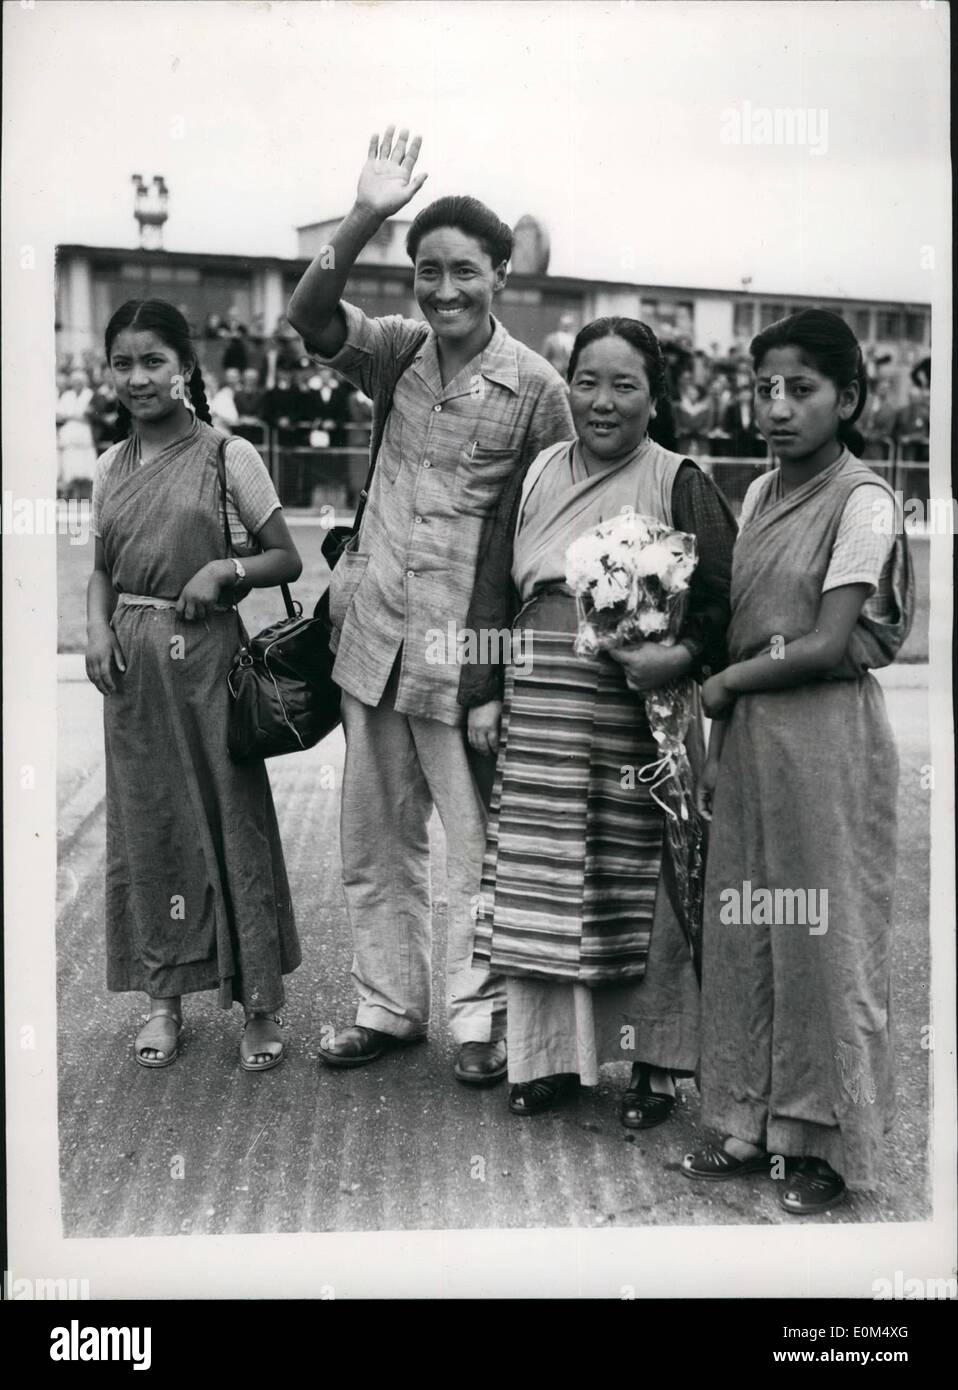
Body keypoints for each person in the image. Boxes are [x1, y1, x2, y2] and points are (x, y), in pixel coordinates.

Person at [286, 125, 574, 1084]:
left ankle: (480, 1020)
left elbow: (545, 542)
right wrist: (367, 210)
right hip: (371, 640)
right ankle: (387, 1007)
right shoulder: (398, 353)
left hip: (467, 663)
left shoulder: (538, 389)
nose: (444, 292)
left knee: (478, 850)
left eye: (464, 273)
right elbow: (308, 312)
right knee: (374, 843)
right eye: (427, 273)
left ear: (501, 274)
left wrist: (500, 675)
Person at [459, 318, 736, 1119]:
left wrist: (678, 659)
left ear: (656, 396)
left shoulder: (680, 479)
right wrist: (483, 687)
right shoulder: (540, 467)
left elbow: (722, 597)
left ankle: (654, 1065)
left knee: (646, 881)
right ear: (567, 386)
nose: (602, 402)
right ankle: (546, 1062)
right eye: (587, 382)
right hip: (541, 704)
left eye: (624, 385)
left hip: (638, 712)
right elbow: (490, 583)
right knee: (541, 881)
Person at [682, 309, 914, 1213]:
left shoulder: (865, 500)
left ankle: (825, 1146)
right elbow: (748, 616)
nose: (777, 407)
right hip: (753, 743)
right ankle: (749, 1123)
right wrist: (722, 740)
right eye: (764, 388)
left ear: (848, 398)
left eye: (802, 390)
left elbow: (823, 642)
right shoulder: (762, 492)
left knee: (826, 939)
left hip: (824, 737)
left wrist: (730, 681)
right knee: (745, 921)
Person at [86, 299, 303, 1072]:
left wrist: (224, 569)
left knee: (230, 820)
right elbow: (104, 572)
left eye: (153, 362)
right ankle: (164, 1000)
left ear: (184, 369)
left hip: (209, 663)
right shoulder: (110, 465)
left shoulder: (226, 456)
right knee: (153, 828)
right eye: (123, 363)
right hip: (134, 676)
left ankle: (260, 1007)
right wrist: (97, 627)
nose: (138, 378)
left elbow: (287, 559)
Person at [57, 369, 98, 499]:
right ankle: (71, 494)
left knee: (86, 465)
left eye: (80, 381)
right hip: (69, 433)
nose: (77, 383)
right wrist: (77, 415)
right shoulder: (67, 395)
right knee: (69, 463)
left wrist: (70, 415)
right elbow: (59, 415)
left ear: (84, 382)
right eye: (75, 381)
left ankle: (86, 495)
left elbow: (89, 415)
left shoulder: (90, 394)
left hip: (84, 431)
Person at [859, 377, 898, 460]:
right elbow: (856, 419)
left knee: (875, 469)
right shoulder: (864, 402)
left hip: (875, 446)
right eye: (882, 387)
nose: (884, 390)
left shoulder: (890, 409)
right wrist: (861, 433)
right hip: (858, 443)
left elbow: (887, 429)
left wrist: (872, 436)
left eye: (887, 388)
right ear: (877, 387)